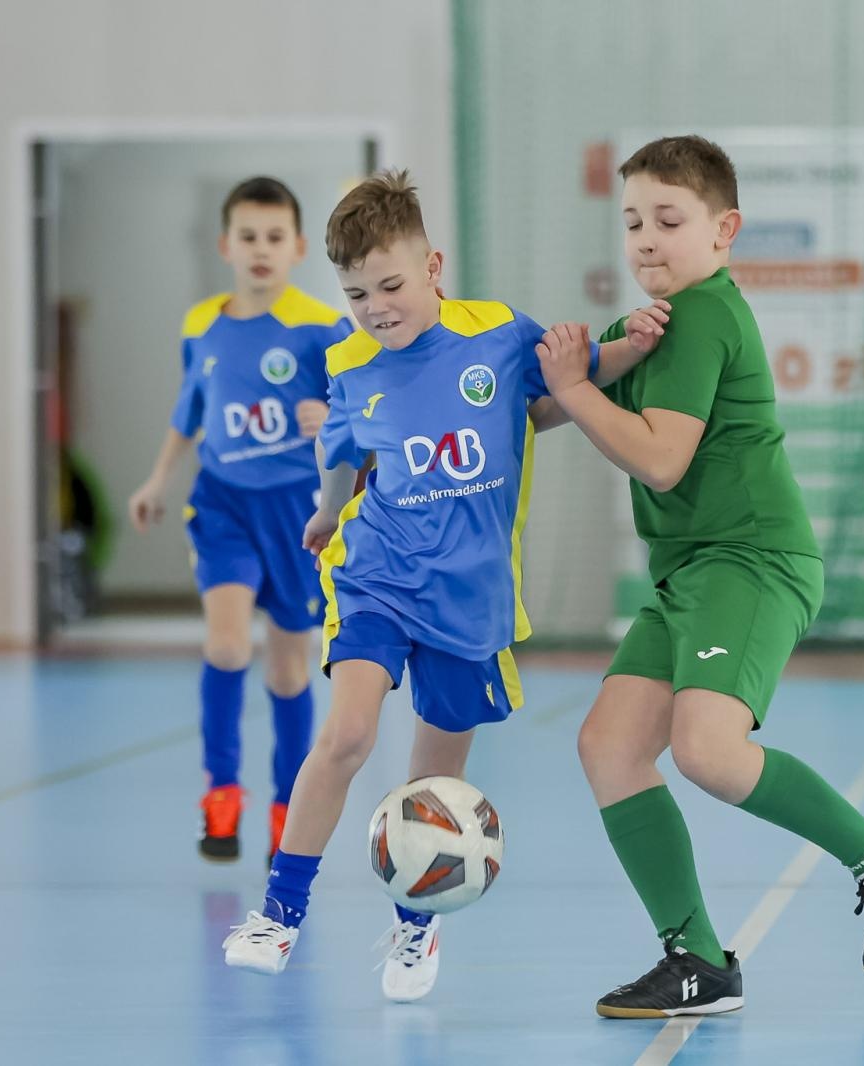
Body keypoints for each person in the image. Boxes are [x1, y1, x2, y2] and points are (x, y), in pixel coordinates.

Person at [222, 169, 671, 1003]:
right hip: (376, 577)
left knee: (432, 786)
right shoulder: (351, 364)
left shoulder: (498, 332)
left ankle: (415, 928)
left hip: (471, 601)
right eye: (357, 294)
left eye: (390, 285)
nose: (377, 307)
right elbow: (344, 460)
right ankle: (280, 914)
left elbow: (560, 389)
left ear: (432, 266)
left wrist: (632, 349)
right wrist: (326, 519)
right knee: (348, 735)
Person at [535, 135, 864, 1018]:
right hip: (690, 572)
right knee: (608, 746)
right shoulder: (642, 325)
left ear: (725, 231)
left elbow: (661, 460)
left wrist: (575, 390)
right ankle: (696, 960)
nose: (646, 239)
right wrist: (502, 371)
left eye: (669, 221)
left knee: (708, 751)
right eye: (633, 221)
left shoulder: (706, 313)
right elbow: (541, 404)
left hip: (752, 558)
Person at [128, 177, 352, 863]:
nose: (261, 249)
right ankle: (220, 796)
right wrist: (159, 478)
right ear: (227, 245)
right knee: (226, 646)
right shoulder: (201, 324)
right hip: (222, 503)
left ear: (298, 248)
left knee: (288, 672)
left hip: (296, 515)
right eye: (248, 237)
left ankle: (290, 806)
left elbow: (363, 414)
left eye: (275, 238)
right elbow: (188, 411)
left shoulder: (322, 327)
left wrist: (330, 420)